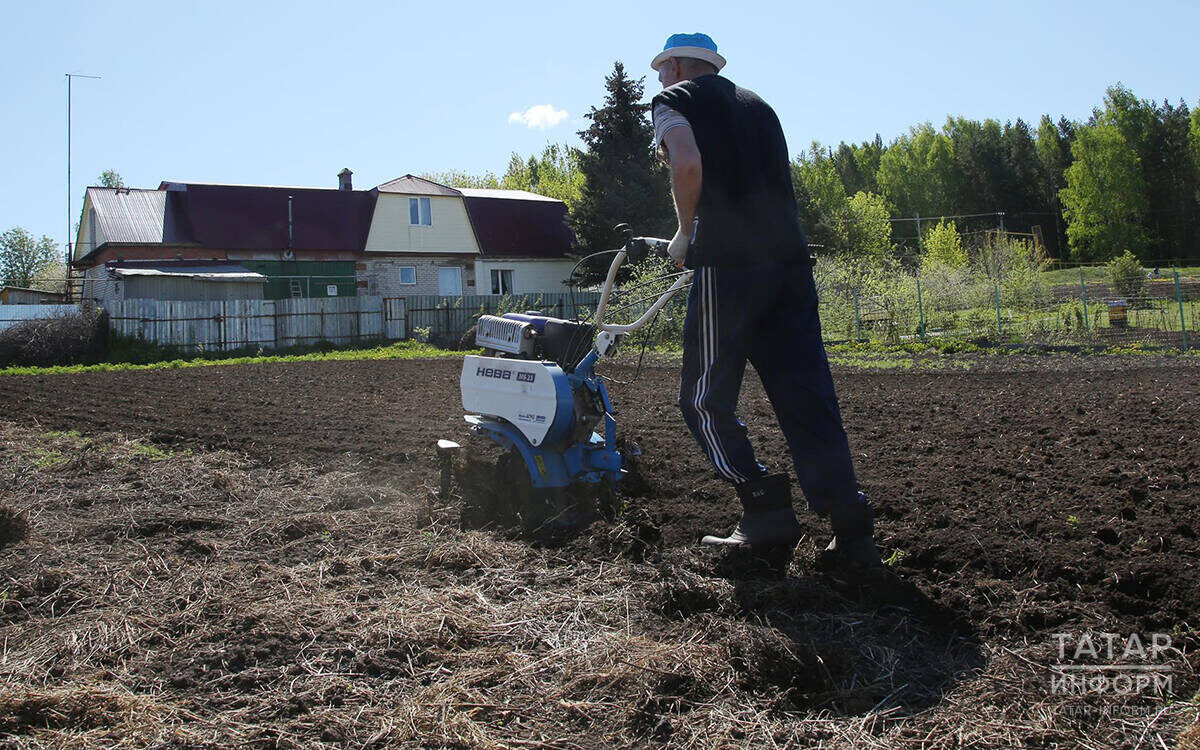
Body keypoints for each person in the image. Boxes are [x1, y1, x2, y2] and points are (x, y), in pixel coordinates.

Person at [650, 33, 880, 568]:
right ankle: (852, 533)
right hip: (791, 266)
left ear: (678, 66)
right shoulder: (760, 106)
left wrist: (685, 232)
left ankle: (764, 508)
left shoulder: (674, 100)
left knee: (703, 400)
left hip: (729, 266)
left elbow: (686, 164)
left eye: (662, 68)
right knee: (807, 397)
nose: (659, 78)